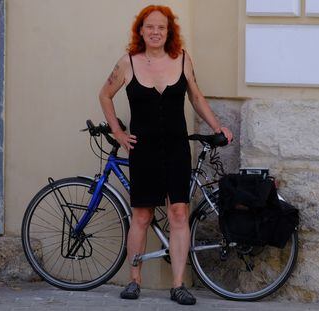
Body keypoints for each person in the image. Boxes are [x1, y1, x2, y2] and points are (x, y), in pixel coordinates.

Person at [99, 5, 233, 305]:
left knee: (179, 213)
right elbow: (104, 95)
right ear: (141, 31)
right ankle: (134, 280)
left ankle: (177, 285)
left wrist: (218, 126)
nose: (156, 32)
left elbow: (196, 97)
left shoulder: (182, 59)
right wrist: (119, 133)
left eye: (161, 27)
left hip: (176, 148)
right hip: (142, 149)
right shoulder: (128, 63)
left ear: (168, 31)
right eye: (150, 27)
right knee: (142, 215)